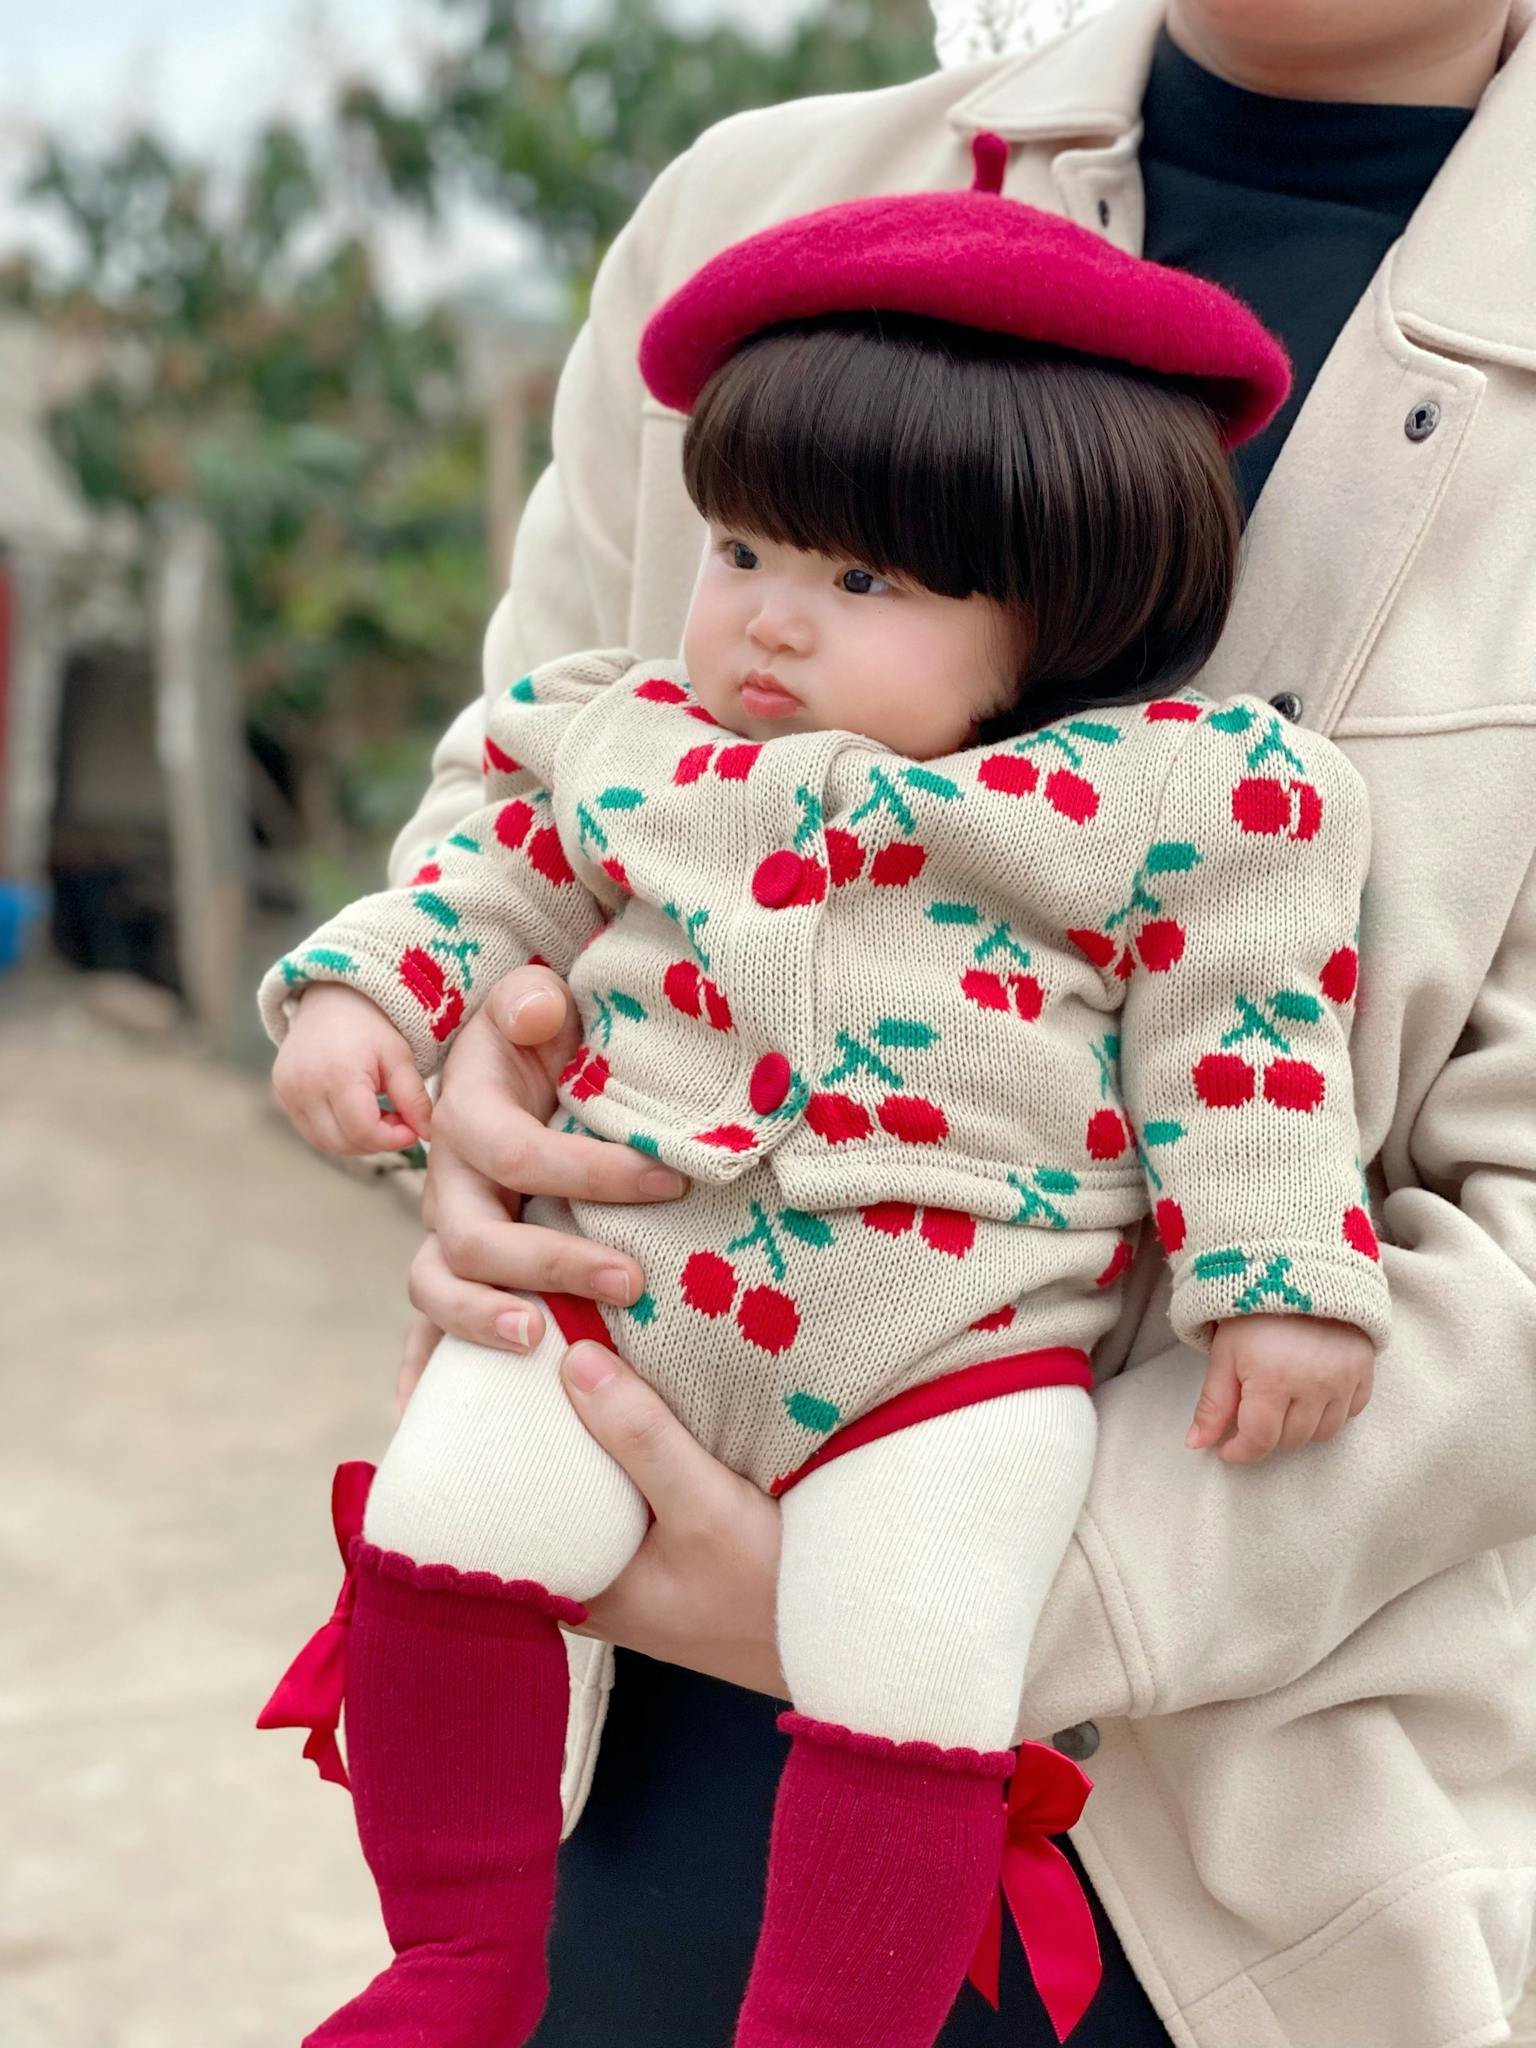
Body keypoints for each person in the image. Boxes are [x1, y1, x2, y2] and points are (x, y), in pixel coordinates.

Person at [345, 2, 1536, 2043]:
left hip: (1273, 1835)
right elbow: (537, 775)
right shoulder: (755, 206)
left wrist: (976, 1584)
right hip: (635, 1743)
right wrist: (480, 1054)